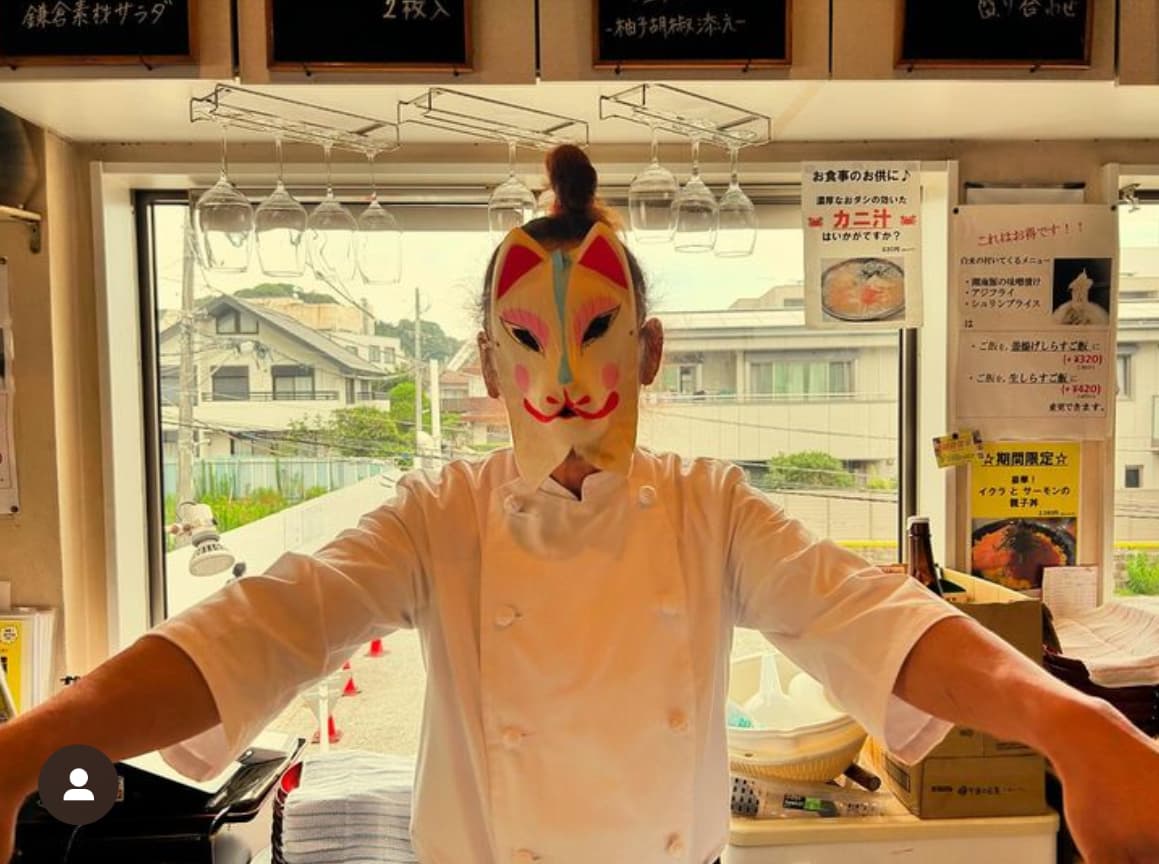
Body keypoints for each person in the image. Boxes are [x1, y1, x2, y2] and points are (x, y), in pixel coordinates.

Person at [1, 146, 1157, 864]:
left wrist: (1075, 723)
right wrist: (32, 747)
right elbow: (258, 630)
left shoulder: (714, 512)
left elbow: (873, 618)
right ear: (488, 367)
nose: (560, 379)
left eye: (595, 331)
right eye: (527, 344)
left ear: (647, 351)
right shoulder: (430, 518)